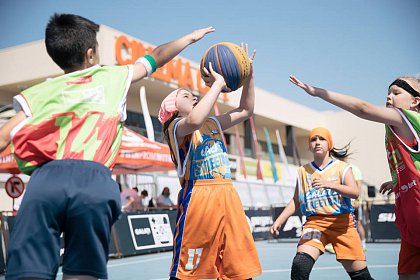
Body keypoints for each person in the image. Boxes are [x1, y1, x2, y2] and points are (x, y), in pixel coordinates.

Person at [1, 13, 214, 280]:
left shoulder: (39, 92)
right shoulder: (113, 77)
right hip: (92, 181)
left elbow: (3, 137)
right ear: (90, 54)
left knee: (28, 273)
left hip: (46, 182)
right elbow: (157, 56)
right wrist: (189, 38)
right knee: (82, 274)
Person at [289, 75, 420, 279]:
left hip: (345, 223)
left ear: (415, 101)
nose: (388, 96)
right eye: (387, 92)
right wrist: (396, 181)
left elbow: (362, 108)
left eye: (396, 92)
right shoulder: (395, 129)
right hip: (410, 220)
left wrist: (317, 92)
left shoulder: (407, 118)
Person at [160, 44, 261, 279]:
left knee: (238, 270)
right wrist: (218, 83)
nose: (193, 96)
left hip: (227, 195)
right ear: (173, 110)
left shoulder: (213, 123)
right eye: (186, 96)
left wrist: (249, 74)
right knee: (192, 272)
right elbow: (194, 120)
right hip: (198, 197)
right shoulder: (176, 128)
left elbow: (246, 110)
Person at [270, 127, 374, 280]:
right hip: (315, 224)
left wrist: (330, 184)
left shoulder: (342, 168)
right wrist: (279, 221)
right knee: (300, 266)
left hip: (342, 224)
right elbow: (296, 200)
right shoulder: (303, 171)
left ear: (329, 144)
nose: (317, 142)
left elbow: (355, 192)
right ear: (309, 145)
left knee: (361, 278)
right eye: (313, 139)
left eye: (322, 139)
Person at [325, 161, 367, 254]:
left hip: (353, 202)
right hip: (342, 203)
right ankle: (334, 244)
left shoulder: (353, 169)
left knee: (357, 223)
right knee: (337, 222)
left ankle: (363, 244)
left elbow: (358, 185)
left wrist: (357, 200)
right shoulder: (336, 168)